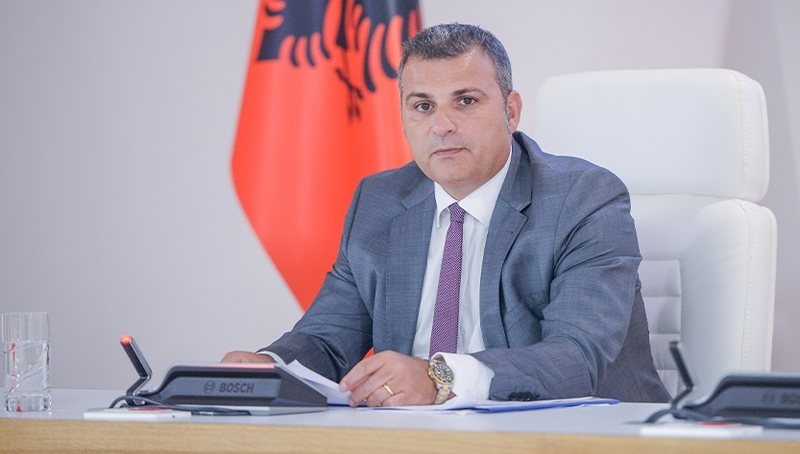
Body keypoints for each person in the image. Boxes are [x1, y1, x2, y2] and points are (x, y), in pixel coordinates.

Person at [223, 23, 670, 406]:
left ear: (511, 111)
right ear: (403, 119)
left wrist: (440, 378)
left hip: (579, 435)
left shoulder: (582, 198)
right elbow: (327, 339)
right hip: (418, 438)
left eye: (466, 101)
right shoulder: (379, 201)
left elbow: (576, 357)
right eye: (423, 106)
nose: (442, 126)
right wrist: (268, 366)